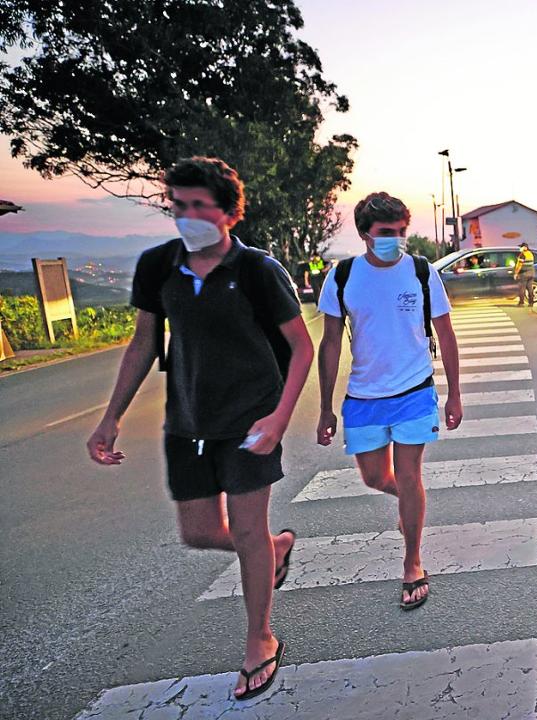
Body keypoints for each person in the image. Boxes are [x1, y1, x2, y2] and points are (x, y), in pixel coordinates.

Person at [87, 156, 313, 700]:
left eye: (199, 206)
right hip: (187, 420)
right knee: (198, 532)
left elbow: (301, 348)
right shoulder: (158, 266)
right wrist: (111, 416)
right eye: (178, 205)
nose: (187, 215)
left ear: (229, 212)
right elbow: (144, 342)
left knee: (245, 527)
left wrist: (279, 418)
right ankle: (275, 547)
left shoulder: (257, 270)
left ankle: (260, 638)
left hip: (250, 418)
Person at [316, 191, 464, 611]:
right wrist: (326, 406)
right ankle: (408, 503)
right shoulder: (342, 276)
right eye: (386, 233)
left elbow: (446, 334)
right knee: (375, 478)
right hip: (363, 396)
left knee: (410, 474)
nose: (395, 240)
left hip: (415, 390)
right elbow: (330, 343)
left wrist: (454, 393)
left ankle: (412, 561)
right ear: (365, 233)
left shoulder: (421, 272)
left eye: (401, 231)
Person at [514, 242, 537, 306]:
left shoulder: (522, 255)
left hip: (524, 274)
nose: (520, 248)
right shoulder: (530, 254)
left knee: (522, 288)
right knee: (530, 288)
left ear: (525, 247)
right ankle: (531, 302)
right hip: (531, 273)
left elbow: (519, 265)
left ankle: (521, 303)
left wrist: (516, 273)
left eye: (521, 247)